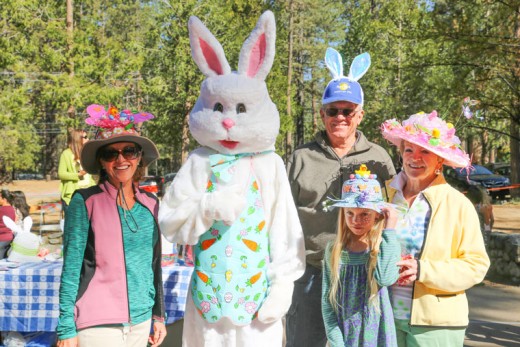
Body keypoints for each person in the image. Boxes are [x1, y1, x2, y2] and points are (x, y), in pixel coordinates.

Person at [286, 48, 396, 346]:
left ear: (360, 114)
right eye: (333, 110)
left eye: (348, 111)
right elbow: (283, 216)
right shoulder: (301, 157)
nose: (340, 117)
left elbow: (392, 211)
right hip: (311, 272)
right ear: (322, 113)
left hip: (361, 273)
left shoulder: (380, 158)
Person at [56, 104, 166, 347]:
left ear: (139, 157)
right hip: (97, 324)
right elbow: (72, 267)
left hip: (141, 322)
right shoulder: (84, 201)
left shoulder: (150, 203)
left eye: (129, 151)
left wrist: (158, 315)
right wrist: (66, 328)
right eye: (110, 154)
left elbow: (154, 264)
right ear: (101, 162)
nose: (121, 159)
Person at [380, 110, 490, 346]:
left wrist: (423, 270)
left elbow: (476, 266)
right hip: (383, 317)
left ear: (440, 159)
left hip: (435, 326)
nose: (414, 157)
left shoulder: (457, 204)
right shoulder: (386, 195)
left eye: (425, 151)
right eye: (409, 149)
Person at [322, 166, 400, 347]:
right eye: (350, 213)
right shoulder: (334, 250)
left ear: (378, 215)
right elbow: (327, 303)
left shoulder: (384, 247)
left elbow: (386, 278)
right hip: (345, 335)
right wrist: (336, 342)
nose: (356, 220)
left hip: (378, 335)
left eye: (365, 214)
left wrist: (390, 229)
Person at [58, 128, 95, 216]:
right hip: (72, 195)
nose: (88, 139)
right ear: (78, 139)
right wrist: (78, 175)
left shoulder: (87, 153)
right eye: (85, 137)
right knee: (74, 225)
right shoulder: (66, 154)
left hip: (89, 193)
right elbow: (61, 174)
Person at [0, 189, 16, 259]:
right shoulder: (12, 209)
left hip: (2, 238)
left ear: (4, 199)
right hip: (9, 237)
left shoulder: (1, 209)